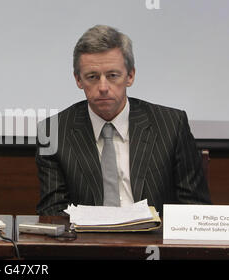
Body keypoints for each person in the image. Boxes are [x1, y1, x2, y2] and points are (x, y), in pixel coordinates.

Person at [36, 25, 211, 215]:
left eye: (112, 75)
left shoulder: (171, 125)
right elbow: (52, 213)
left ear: (130, 76)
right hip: (86, 241)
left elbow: (195, 209)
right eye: (92, 77)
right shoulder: (53, 131)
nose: (103, 87)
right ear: (78, 80)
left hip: (154, 239)